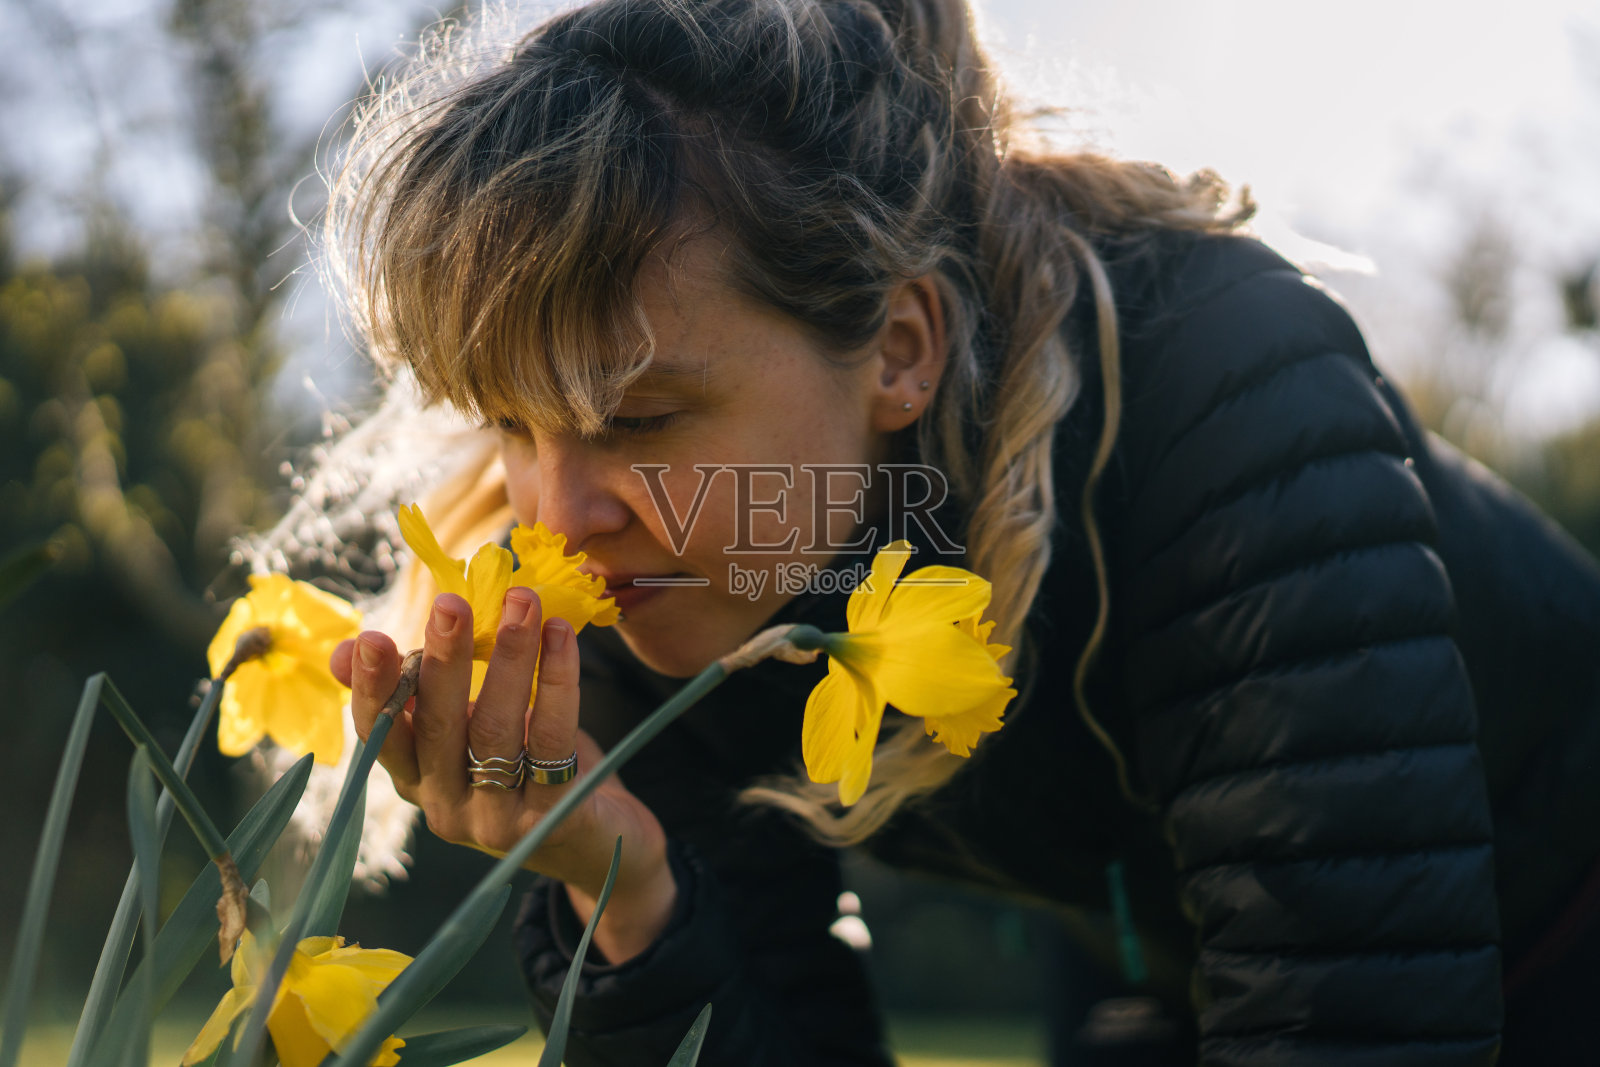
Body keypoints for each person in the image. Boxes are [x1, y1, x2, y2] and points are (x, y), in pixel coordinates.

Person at [309, 0, 1600, 1062]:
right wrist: (627, 902)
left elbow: (1365, 1016)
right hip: (1138, 962)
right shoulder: (633, 571)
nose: (559, 513)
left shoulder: (1224, 395)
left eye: (641, 416)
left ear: (903, 347)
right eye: (508, 424)